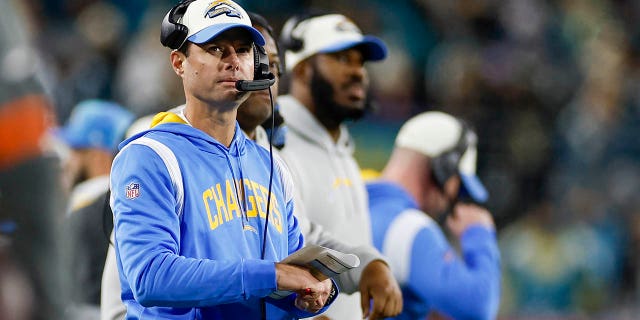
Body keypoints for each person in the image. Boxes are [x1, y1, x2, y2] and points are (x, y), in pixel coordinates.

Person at [100, 11, 402, 320]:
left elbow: (287, 271)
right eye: (215, 49)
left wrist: (315, 291)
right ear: (179, 62)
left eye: (242, 50)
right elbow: (150, 277)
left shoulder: (269, 163)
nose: (232, 60)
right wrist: (272, 275)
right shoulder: (151, 155)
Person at [277, 12, 397, 319]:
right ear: (302, 70)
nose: (358, 72)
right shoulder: (276, 145)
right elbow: (285, 245)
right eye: (342, 59)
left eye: (360, 62)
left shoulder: (341, 147)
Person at [367, 111, 501, 319]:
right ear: (444, 168)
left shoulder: (351, 205)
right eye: (459, 185)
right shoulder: (408, 228)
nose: (455, 199)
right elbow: (478, 307)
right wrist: (479, 234)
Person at [54, 99, 134, 317]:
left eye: (76, 150)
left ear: (99, 156)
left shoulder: (91, 204)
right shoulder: (130, 200)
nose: (68, 161)